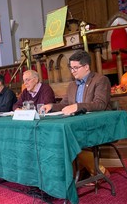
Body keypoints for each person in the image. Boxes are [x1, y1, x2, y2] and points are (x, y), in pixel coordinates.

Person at [41, 49, 112, 182]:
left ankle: (98, 171)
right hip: (77, 125)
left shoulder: (101, 80)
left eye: (75, 68)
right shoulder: (72, 85)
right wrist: (51, 106)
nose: (72, 71)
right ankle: (71, 175)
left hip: (97, 125)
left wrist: (78, 106)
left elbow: (100, 104)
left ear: (86, 67)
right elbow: (64, 105)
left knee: (67, 138)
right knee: (57, 136)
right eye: (71, 68)